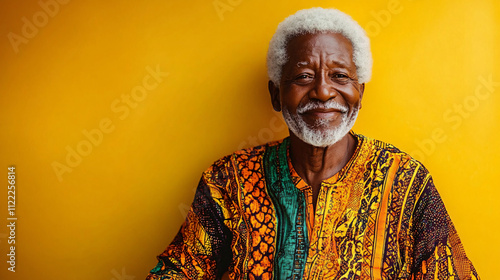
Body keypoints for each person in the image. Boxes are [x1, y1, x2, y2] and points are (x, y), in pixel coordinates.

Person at [145, 7, 479, 280]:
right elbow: (176, 273)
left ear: (359, 93)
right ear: (276, 95)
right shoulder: (227, 180)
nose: (322, 92)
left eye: (340, 76)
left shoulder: (405, 181)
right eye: (304, 76)